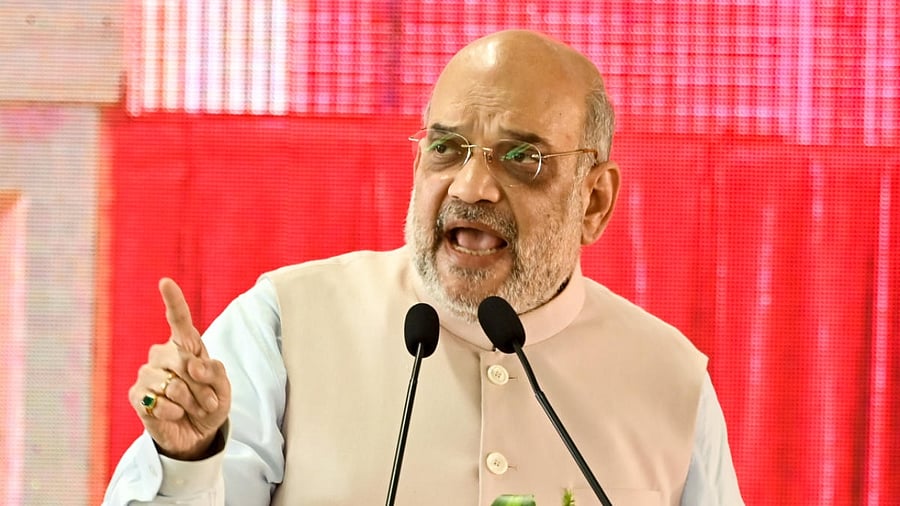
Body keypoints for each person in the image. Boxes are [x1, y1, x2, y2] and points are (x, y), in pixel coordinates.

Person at [103, 29, 743, 505]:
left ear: (594, 200)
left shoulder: (671, 380)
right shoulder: (286, 324)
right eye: (446, 148)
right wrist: (187, 459)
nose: (473, 187)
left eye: (522, 158)